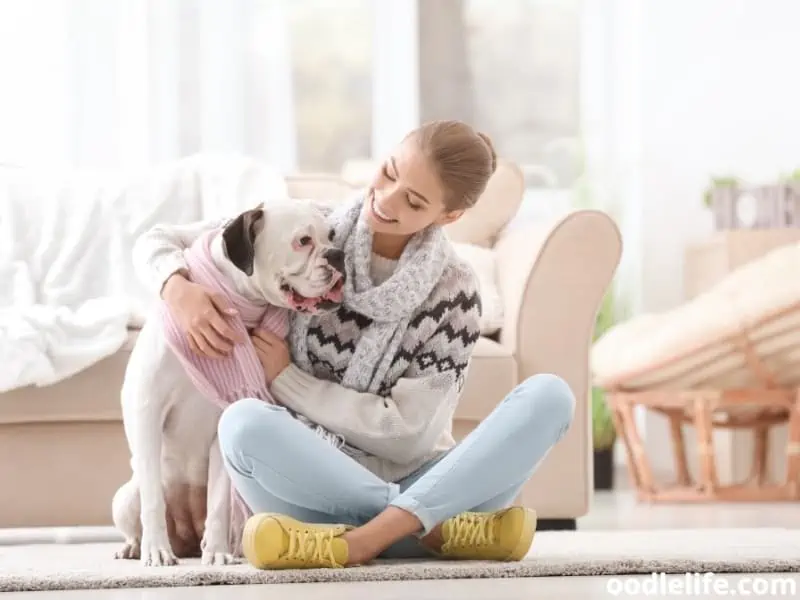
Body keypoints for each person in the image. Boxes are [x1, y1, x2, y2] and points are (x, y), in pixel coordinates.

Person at [132, 120, 575, 570]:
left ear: (448, 217)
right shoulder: (313, 228)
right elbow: (159, 240)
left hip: (419, 476)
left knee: (550, 397)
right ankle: (435, 532)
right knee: (241, 424)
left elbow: (408, 438)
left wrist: (288, 380)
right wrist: (176, 288)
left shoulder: (454, 293)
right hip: (312, 482)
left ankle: (356, 542)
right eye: (388, 172)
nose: (384, 199)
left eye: (414, 200)